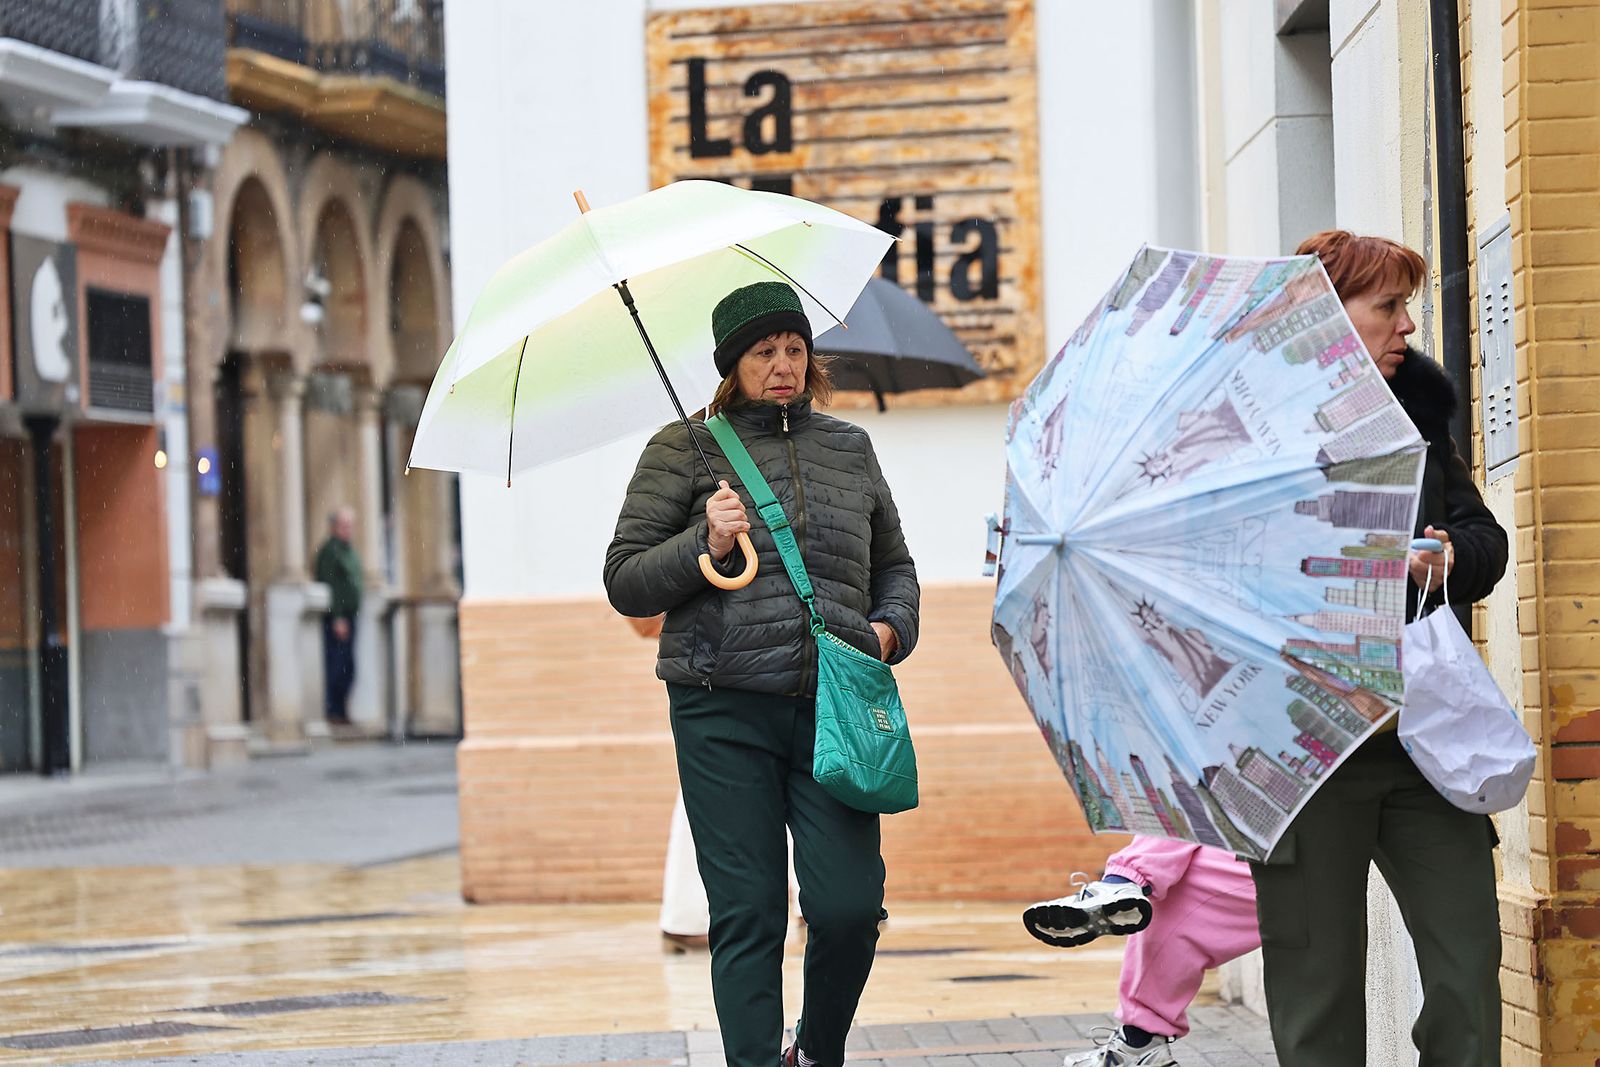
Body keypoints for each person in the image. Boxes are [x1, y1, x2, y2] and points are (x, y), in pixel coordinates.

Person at [605, 280, 920, 1067]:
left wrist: (886, 632)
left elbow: (896, 568)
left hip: (833, 707)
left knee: (849, 907)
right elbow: (625, 579)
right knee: (747, 914)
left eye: (793, 348)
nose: (782, 365)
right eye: (762, 353)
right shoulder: (682, 449)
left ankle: (814, 1050)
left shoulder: (850, 449)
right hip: (721, 707)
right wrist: (703, 545)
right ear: (731, 366)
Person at [1246, 231, 1509, 1065]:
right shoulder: (1252, 441)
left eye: (1407, 307)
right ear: (1328, 315)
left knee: (1469, 973)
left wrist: (1448, 555)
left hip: (1427, 739)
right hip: (1304, 748)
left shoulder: (1414, 427)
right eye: (1388, 307)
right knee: (1317, 999)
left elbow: (1484, 538)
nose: (1406, 327)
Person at [1023, 837, 1261, 1066]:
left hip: (1289, 861)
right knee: (1182, 833)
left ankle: (1121, 881)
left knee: (1184, 867)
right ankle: (1141, 1044)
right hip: (1274, 851)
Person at [314, 506, 363, 725]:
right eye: (344, 525)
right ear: (334, 527)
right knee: (338, 666)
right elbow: (331, 584)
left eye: (350, 525)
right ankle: (335, 711)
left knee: (348, 666)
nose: (348, 530)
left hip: (351, 615)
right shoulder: (331, 551)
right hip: (339, 618)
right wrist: (338, 617)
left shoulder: (348, 549)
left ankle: (342, 710)